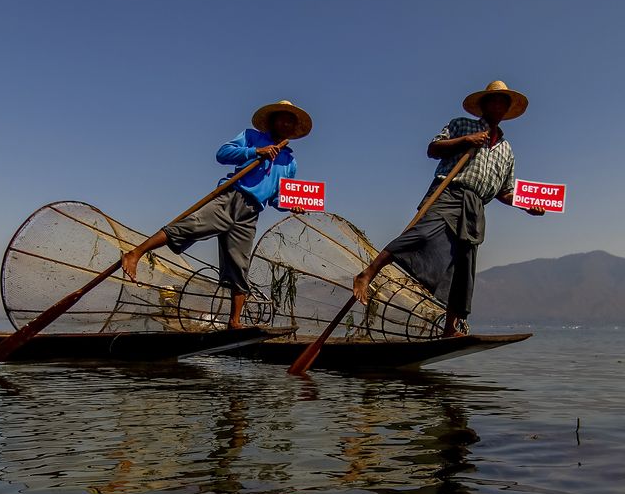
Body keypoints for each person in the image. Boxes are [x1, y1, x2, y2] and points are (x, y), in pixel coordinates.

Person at [353, 81, 544, 337]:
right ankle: (367, 274)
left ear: (507, 110)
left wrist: (525, 205)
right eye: (494, 101)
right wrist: (467, 140)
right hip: (448, 191)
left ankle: (450, 327)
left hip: (475, 206)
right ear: (484, 106)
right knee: (420, 236)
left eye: (503, 103)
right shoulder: (461, 125)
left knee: (463, 267)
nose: (498, 106)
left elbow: (504, 191)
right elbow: (433, 149)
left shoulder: (507, 150)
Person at [120, 99, 313, 328]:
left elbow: (276, 197)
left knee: (239, 264)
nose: (288, 124)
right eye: (284, 119)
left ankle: (234, 321)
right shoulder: (252, 137)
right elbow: (222, 154)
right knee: (191, 226)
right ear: (273, 121)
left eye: (292, 122)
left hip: (251, 212)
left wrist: (292, 205)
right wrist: (256, 151)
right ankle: (135, 253)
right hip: (232, 197)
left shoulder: (290, 161)